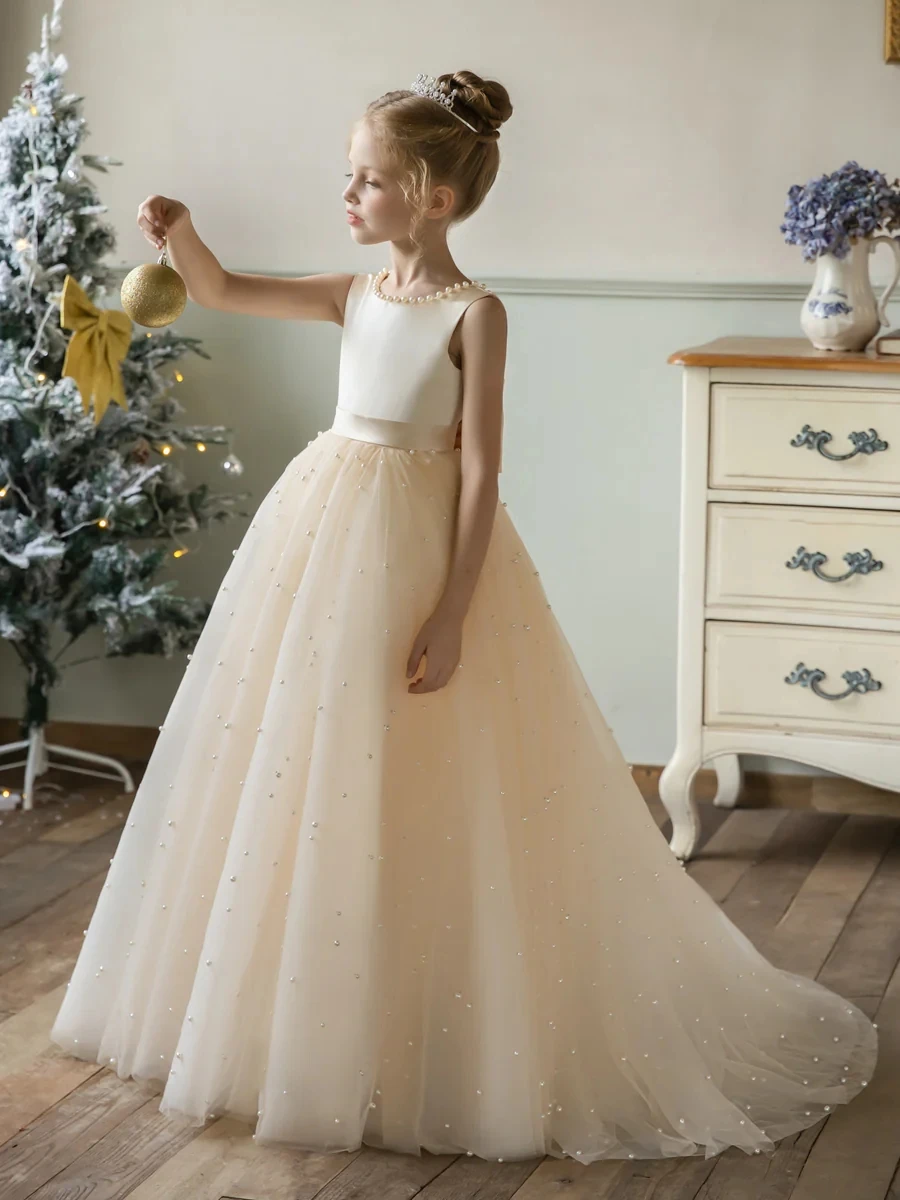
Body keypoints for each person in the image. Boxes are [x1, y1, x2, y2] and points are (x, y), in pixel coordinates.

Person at [49, 69, 877, 1165]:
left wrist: (451, 610)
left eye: (370, 181)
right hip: (321, 537)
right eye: (349, 177)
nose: (349, 194)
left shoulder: (475, 314)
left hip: (414, 549)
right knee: (307, 759)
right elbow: (225, 288)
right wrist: (180, 233)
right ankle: (292, 1011)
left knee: (425, 763)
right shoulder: (352, 293)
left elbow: (480, 472)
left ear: (434, 197)